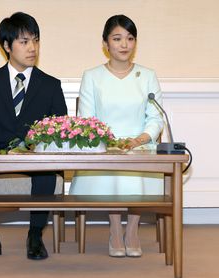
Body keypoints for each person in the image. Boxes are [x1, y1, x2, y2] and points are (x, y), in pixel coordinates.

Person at [0, 12, 67, 260]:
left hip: (36, 154)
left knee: (45, 172)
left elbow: (62, 129)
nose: (32, 48)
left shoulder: (50, 85)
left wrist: (41, 145)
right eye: (24, 41)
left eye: (35, 40)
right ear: (7, 46)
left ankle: (35, 235)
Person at [69, 14, 164, 258]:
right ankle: (114, 229)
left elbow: (155, 118)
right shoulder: (92, 76)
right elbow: (86, 120)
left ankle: (132, 230)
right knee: (113, 164)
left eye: (130, 39)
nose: (124, 45)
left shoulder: (148, 75)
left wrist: (140, 139)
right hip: (103, 148)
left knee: (136, 164)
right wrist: (110, 143)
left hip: (140, 145)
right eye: (117, 38)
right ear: (105, 43)